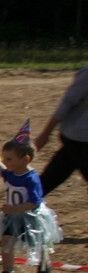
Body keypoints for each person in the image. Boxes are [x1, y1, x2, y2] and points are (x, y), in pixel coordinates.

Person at [0, 121, 60, 273]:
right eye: (4, 158)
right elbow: (2, 172)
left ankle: (45, 264)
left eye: (9, 159)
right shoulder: (12, 172)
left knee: (37, 243)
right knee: (6, 241)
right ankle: (8, 272)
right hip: (12, 217)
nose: (5, 162)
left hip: (30, 217)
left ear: (25, 159)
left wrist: (15, 209)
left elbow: (34, 202)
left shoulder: (31, 178)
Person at [35, 63, 88, 197]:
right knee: (52, 177)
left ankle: (19, 207)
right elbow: (67, 102)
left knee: (52, 177)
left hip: (77, 138)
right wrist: (45, 133)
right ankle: (18, 209)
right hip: (80, 138)